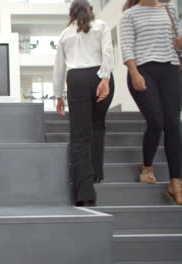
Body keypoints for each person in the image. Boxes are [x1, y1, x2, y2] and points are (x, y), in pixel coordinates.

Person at [53, 0, 114, 207]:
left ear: (70, 14)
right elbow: (107, 52)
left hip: (76, 78)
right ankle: (96, 171)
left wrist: (58, 95)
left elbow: (59, 67)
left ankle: (84, 191)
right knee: (98, 125)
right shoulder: (101, 26)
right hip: (99, 75)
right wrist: (105, 78)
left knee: (80, 135)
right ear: (91, 10)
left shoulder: (64, 34)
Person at [121, 0, 182, 205]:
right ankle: (147, 167)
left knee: (173, 123)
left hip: (171, 69)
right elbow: (127, 48)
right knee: (157, 122)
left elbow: (178, 38)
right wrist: (134, 73)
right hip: (143, 70)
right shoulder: (130, 15)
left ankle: (175, 183)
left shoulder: (170, 9)